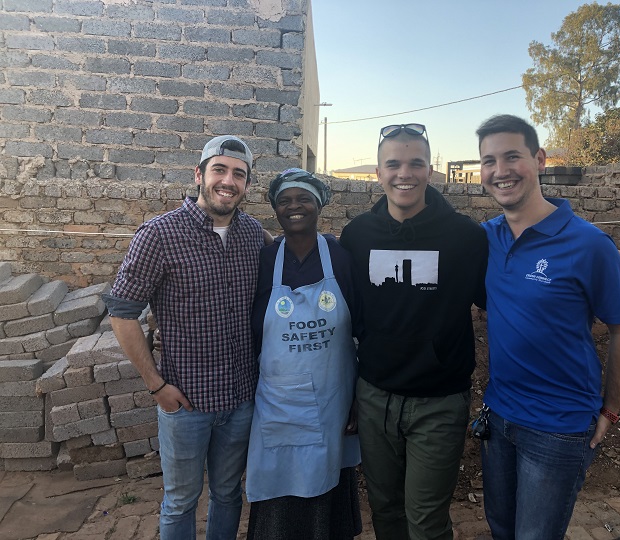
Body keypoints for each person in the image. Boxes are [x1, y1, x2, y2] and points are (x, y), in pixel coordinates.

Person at [475, 114, 620, 540]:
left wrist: (610, 409)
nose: (500, 170)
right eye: (489, 160)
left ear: (540, 160)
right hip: (499, 415)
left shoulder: (589, 244)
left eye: (512, 156)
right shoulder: (485, 238)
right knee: (501, 529)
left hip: (558, 426)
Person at [104, 135, 264, 539]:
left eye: (238, 174)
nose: (228, 181)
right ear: (199, 175)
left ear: (247, 184)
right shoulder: (159, 235)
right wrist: (156, 385)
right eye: (219, 170)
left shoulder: (255, 237)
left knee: (229, 493)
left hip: (241, 399)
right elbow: (122, 314)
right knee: (180, 498)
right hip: (186, 402)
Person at [340, 123, 489, 540]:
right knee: (386, 512)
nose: (404, 173)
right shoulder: (357, 236)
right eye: (393, 164)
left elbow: (499, 304)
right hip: (374, 397)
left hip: (439, 400)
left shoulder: (466, 237)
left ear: (429, 170)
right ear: (378, 172)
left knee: (425, 521)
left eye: (416, 163)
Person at [245, 168, 363, 539]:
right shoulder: (265, 261)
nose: (294, 207)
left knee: (328, 480)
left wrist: (358, 398)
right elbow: (251, 331)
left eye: (303, 199)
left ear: (319, 205)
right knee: (280, 489)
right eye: (285, 201)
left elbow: (361, 328)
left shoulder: (340, 258)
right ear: (275, 210)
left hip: (333, 400)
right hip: (278, 401)